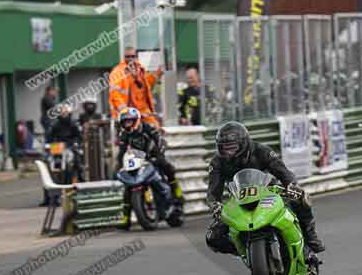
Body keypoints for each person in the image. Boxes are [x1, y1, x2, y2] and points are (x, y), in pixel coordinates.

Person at [205, 121, 325, 255]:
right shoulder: (217, 162)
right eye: (224, 148)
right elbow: (212, 192)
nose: (228, 153)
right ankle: (244, 251)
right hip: (239, 200)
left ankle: (310, 236)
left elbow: (282, 171)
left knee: (301, 198)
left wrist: (291, 184)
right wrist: (215, 205)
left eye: (232, 148)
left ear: (244, 144)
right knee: (213, 237)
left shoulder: (261, 150)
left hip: (268, 192)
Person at [115, 107, 185, 214]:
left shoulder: (147, 127)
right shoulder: (123, 134)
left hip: (153, 154)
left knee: (167, 167)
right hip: (137, 159)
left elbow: (159, 140)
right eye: (125, 122)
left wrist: (160, 153)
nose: (127, 125)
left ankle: (177, 191)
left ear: (136, 120)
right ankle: (125, 217)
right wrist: (120, 164)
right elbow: (121, 151)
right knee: (127, 184)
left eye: (129, 121)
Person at [109, 47, 164, 127]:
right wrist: (125, 111)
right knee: (132, 134)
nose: (130, 58)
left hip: (143, 110)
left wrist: (158, 72)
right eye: (127, 56)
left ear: (136, 57)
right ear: (123, 57)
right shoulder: (118, 72)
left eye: (132, 56)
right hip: (127, 112)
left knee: (156, 130)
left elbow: (146, 83)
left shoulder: (139, 69)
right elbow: (115, 94)